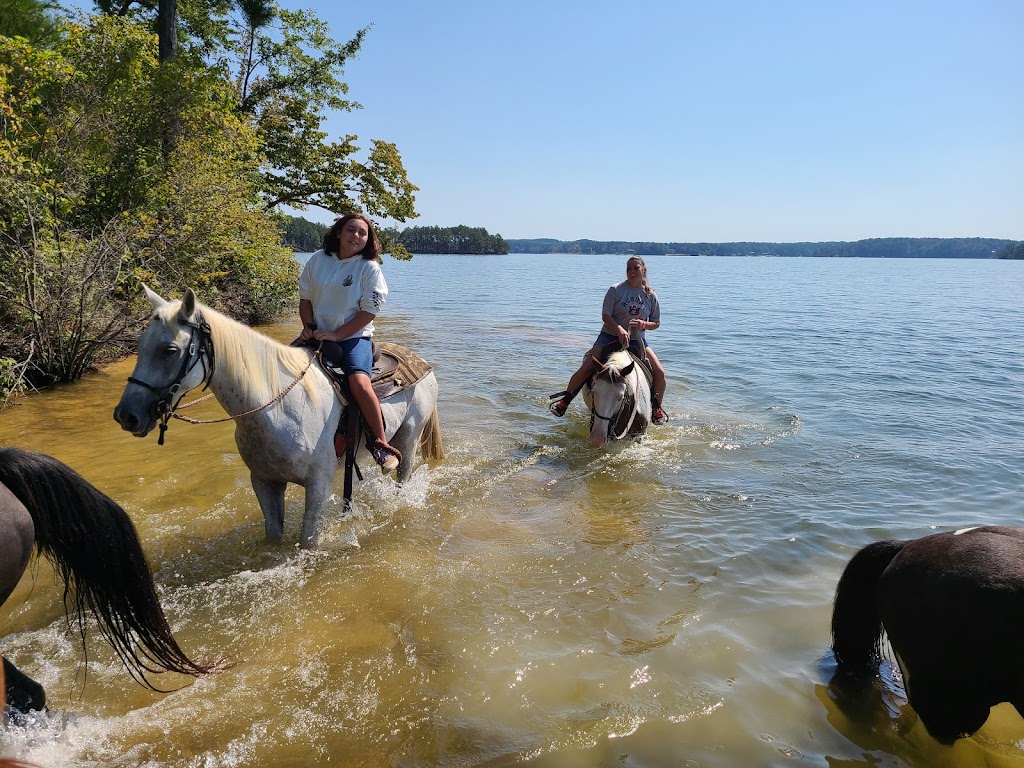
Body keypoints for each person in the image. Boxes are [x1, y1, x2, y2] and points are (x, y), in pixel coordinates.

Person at [296, 214, 402, 473]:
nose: (356, 236)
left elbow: (368, 312)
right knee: (279, 370)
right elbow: (305, 299)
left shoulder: (369, 268)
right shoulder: (318, 259)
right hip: (316, 334)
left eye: (362, 233)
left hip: (355, 338)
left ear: (368, 239)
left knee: (358, 381)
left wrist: (336, 335)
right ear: (339, 232)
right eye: (351, 230)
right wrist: (309, 328)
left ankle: (380, 445)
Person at [549, 256, 668, 424]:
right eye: (629, 268)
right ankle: (565, 401)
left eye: (635, 268)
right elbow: (605, 316)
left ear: (644, 271)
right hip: (609, 336)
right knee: (588, 365)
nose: (632, 272)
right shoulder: (616, 289)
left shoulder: (650, 295)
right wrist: (619, 329)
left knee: (660, 373)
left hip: (637, 340)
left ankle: (656, 407)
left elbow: (656, 323)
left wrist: (643, 324)